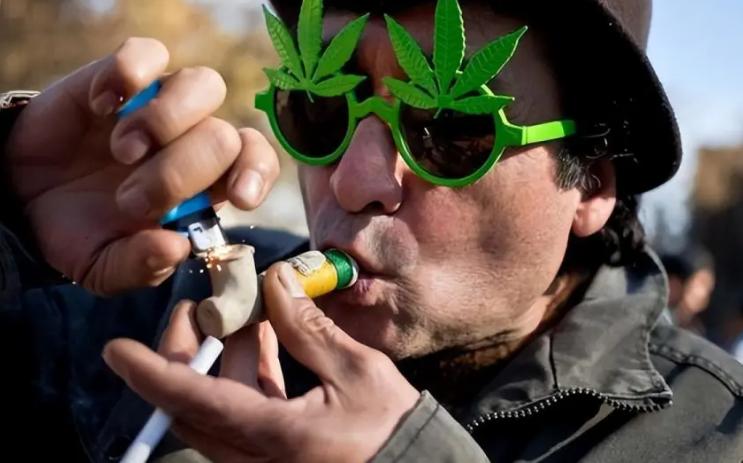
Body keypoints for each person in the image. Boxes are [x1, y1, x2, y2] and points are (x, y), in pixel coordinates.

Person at [2, 0, 743, 462]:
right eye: (319, 109)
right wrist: (14, 219)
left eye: (449, 129)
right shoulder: (168, 305)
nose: (354, 183)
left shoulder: (714, 432)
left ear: (591, 186)